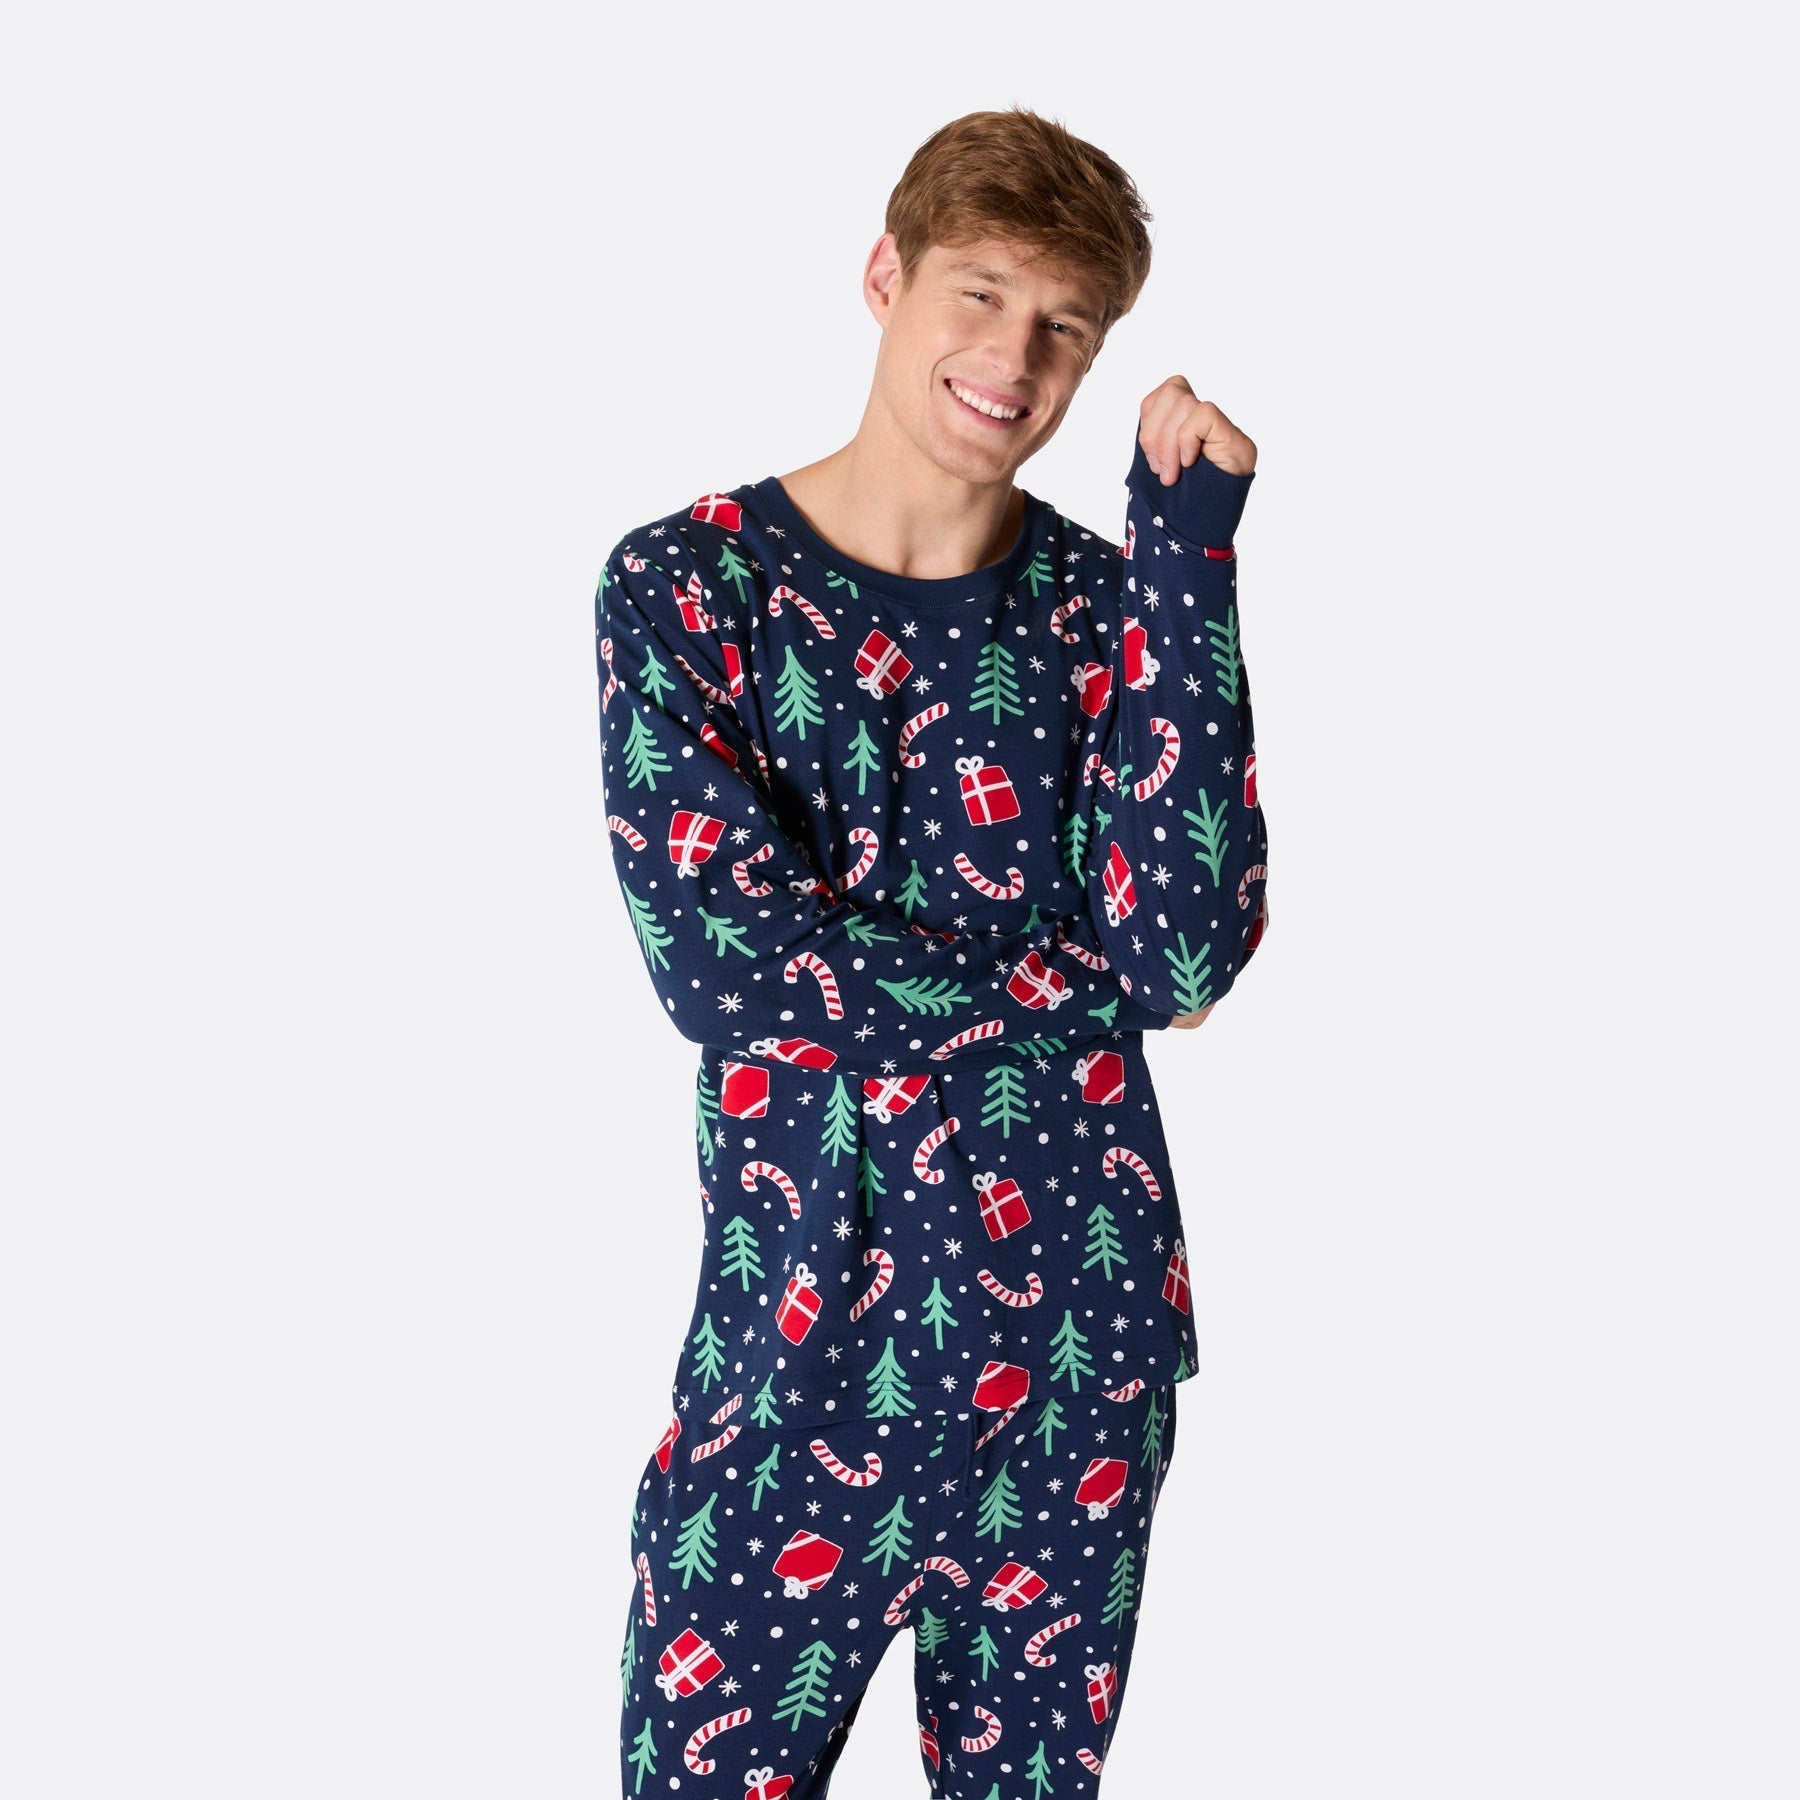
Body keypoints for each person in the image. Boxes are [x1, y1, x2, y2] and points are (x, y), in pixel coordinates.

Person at [595, 104, 1270, 1800]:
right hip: (799, 1359)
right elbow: (731, 969)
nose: (1014, 359)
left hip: (1078, 1364)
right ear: (886, 276)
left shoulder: (1112, 608)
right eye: (980, 294)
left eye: (1064, 327)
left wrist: (1187, 567)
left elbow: (1184, 957)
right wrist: (1064, 986)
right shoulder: (690, 586)